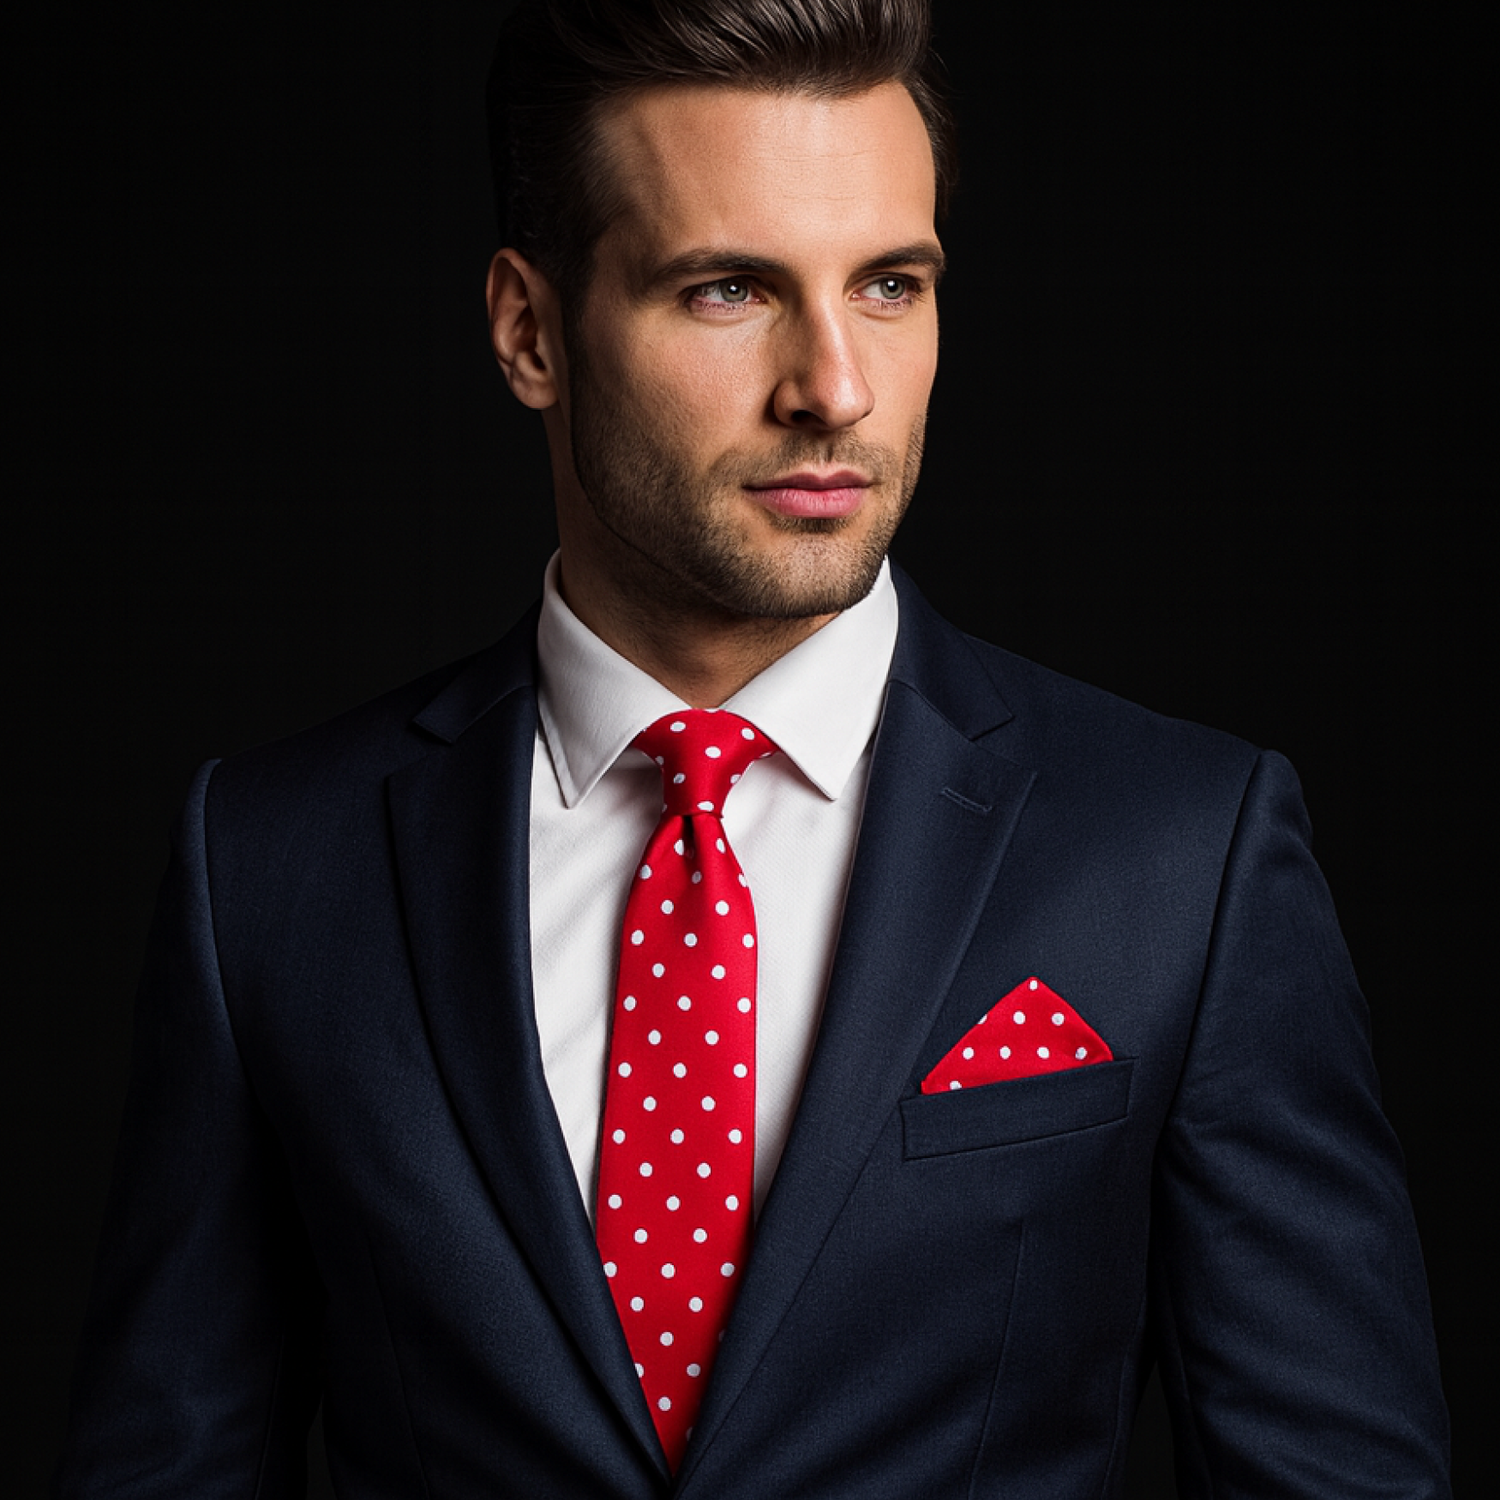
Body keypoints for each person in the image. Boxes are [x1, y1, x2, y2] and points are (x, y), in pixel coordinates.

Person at [56, 1, 1451, 1495]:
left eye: (890, 286)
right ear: (531, 331)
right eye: (729, 289)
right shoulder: (271, 863)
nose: (834, 388)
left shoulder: (1184, 850)